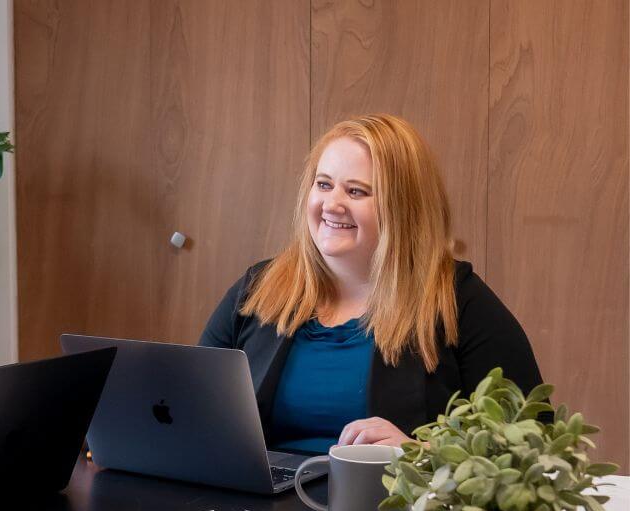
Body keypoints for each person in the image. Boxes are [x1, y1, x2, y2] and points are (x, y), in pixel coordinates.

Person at [199, 114, 541, 454]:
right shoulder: (258, 288)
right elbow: (192, 408)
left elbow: (534, 442)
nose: (332, 204)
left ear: (403, 208)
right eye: (323, 184)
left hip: (387, 504)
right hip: (254, 507)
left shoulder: (457, 301)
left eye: (356, 191)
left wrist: (422, 453)